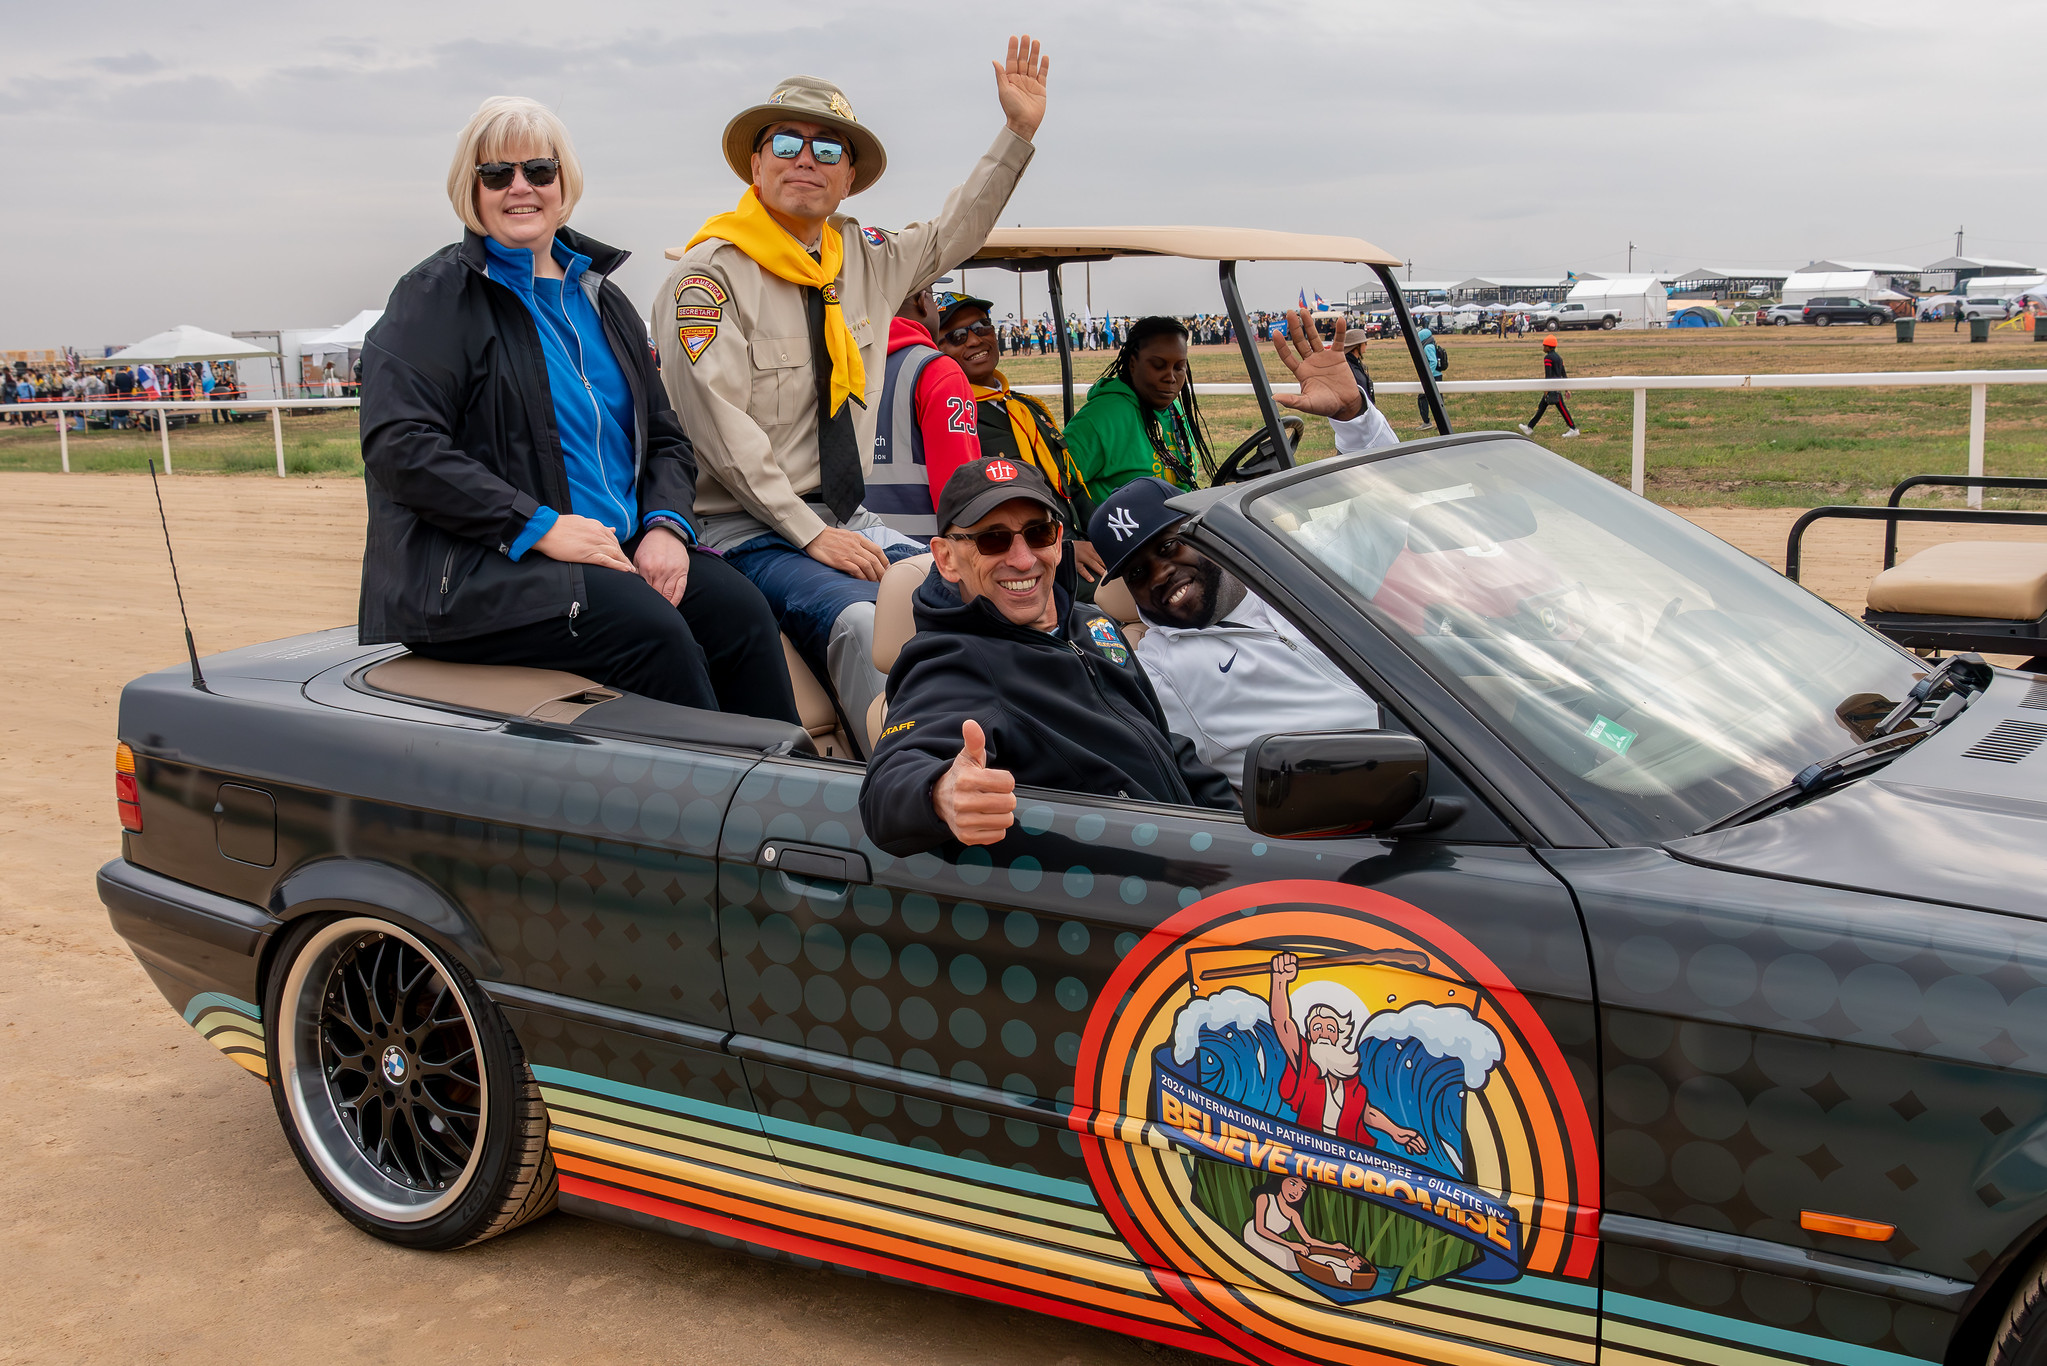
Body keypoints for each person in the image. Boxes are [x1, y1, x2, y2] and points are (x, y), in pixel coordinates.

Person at [356, 95, 797, 727]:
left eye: (539, 171)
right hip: (485, 569)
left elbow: (667, 440)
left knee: (741, 611)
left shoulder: (602, 298)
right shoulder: (433, 298)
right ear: (470, 189)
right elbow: (402, 446)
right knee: (652, 632)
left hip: (615, 553)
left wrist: (667, 527)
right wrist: (537, 526)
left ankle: (793, 794)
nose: (520, 188)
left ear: (564, 185)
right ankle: (706, 813)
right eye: (496, 174)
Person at [658, 39, 1048, 736]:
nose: (806, 158)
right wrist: (811, 535)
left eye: (829, 149)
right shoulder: (709, 279)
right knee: (869, 623)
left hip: (846, 518)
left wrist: (1015, 134)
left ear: (849, 180)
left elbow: (956, 230)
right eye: (786, 141)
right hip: (747, 530)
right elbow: (724, 437)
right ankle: (891, 793)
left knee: (1004, 582)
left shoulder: (862, 260)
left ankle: (1035, 751)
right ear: (756, 162)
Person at [859, 457, 1236, 855]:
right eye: (992, 539)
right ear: (947, 558)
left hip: (1199, 855)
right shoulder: (953, 663)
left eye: (1038, 533)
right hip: (1134, 883)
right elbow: (887, 788)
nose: (1023, 559)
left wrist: (1238, 836)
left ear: (1058, 540)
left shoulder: (1090, 623)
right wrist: (939, 793)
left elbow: (1164, 743)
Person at [1089, 477, 1381, 791]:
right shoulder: (1160, 676)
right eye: (1136, 573)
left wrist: (1360, 427)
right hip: (1384, 807)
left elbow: (1379, 504)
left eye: (1168, 546)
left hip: (1432, 718)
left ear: (1205, 529)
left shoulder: (1294, 562)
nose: (1159, 573)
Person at [932, 291, 1105, 585]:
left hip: (1080, 549)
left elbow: (1071, 487)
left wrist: (1108, 534)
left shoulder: (1029, 409)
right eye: (957, 336)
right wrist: (1062, 548)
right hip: (1029, 563)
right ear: (936, 351)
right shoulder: (957, 421)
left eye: (981, 327)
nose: (974, 340)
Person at [1269, 951, 1427, 1153]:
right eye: (1317, 1028)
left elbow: (1366, 1112)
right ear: (1309, 1035)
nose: (1324, 1033)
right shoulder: (1305, 1064)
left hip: (1345, 1158)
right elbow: (1282, 1023)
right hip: (1309, 1153)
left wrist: (1395, 1131)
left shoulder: (1349, 1080)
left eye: (1330, 1028)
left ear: (1340, 1037)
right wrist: (1280, 980)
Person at [866, 286, 981, 540]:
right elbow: (960, 491)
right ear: (923, 301)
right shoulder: (938, 371)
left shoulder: (841, 366)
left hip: (855, 557)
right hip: (925, 558)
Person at [1062, 316, 1215, 500]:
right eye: (1158, 366)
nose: (1171, 377)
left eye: (1179, 367)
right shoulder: (1101, 418)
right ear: (1133, 364)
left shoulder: (1173, 408)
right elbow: (1053, 483)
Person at [1242, 1174, 1372, 1290]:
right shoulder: (1265, 1198)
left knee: (1299, 1261)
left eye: (1302, 1190)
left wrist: (1333, 1246)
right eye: (1293, 1183)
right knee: (1292, 1259)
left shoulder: (1293, 1213)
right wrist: (1290, 1244)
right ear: (1281, 1180)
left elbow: (1308, 1240)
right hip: (1255, 1235)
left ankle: (1343, 1266)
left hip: (1276, 1242)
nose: (1296, 1192)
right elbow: (1260, 1228)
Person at [1517, 334, 1579, 438]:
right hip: (1557, 386)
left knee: (1562, 409)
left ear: (1548, 347)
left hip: (1552, 387)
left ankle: (1573, 429)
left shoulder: (1548, 358)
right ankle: (1529, 427)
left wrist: (1546, 389)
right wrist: (1566, 388)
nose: (1543, 347)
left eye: (1544, 346)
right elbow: (1563, 373)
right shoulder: (1559, 358)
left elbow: (1548, 375)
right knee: (1542, 407)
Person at [1413, 326, 1446, 428]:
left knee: (1422, 398)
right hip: (1437, 376)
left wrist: (1427, 375)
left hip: (1433, 377)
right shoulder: (1431, 344)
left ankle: (1426, 422)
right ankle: (1442, 422)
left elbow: (1433, 362)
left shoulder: (1427, 347)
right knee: (1438, 400)